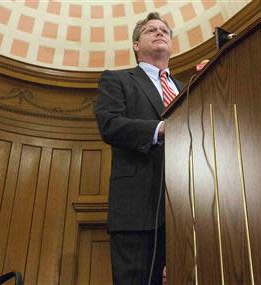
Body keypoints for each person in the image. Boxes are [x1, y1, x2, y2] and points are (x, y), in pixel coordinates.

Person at [94, 12, 183, 285]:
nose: (159, 32)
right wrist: (160, 129)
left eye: (164, 30)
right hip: (136, 211)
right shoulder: (117, 80)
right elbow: (110, 124)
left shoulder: (187, 88)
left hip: (184, 213)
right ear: (136, 45)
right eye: (150, 30)